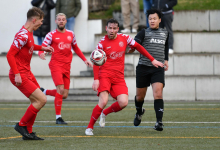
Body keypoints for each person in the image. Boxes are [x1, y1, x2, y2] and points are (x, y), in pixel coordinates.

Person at [85, 18, 164, 136]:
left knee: (123, 102)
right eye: (109, 28)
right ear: (106, 28)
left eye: (114, 28)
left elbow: (138, 46)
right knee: (103, 101)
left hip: (118, 77)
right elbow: (96, 61)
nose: (111, 31)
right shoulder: (101, 43)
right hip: (105, 75)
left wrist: (152, 60)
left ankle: (104, 113)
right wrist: (96, 79)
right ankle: (89, 128)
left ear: (117, 29)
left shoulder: (125, 38)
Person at [6, 7, 54, 140]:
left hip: (27, 72)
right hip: (20, 73)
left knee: (36, 100)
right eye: (41, 21)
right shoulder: (22, 35)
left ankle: (28, 132)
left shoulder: (29, 33)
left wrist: (42, 47)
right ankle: (21, 125)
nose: (41, 23)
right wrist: (16, 74)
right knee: (42, 99)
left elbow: (30, 46)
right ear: (34, 20)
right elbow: (10, 55)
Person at [38, 13, 93, 124]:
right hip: (56, 65)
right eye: (59, 19)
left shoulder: (71, 34)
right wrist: (41, 53)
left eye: (63, 19)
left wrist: (85, 60)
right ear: (56, 21)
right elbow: (42, 47)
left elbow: (76, 48)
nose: (61, 21)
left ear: (66, 21)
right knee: (61, 90)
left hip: (67, 66)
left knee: (64, 95)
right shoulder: (51, 35)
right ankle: (58, 118)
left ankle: (44, 91)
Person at [128, 9, 169, 131]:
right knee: (140, 97)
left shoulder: (165, 33)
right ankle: (139, 112)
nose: (152, 21)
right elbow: (136, 43)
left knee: (158, 94)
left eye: (154, 18)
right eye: (150, 19)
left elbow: (166, 46)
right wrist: (132, 47)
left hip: (158, 69)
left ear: (159, 20)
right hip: (143, 68)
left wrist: (166, 60)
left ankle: (159, 122)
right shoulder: (143, 32)